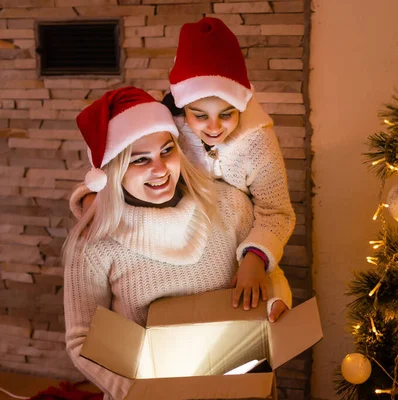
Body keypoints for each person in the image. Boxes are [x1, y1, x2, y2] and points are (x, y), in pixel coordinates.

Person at [63, 87, 291, 400]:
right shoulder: (94, 243)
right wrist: (140, 393)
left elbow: (270, 280)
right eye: (140, 159)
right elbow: (83, 337)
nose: (160, 170)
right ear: (112, 171)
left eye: (166, 151)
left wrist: (277, 305)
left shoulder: (229, 206)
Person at [72, 17, 296, 312]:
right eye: (199, 116)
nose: (214, 128)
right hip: (194, 220)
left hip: (241, 234)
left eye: (227, 114)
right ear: (182, 108)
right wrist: (92, 197)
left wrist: (255, 257)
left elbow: (276, 211)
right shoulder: (169, 125)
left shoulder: (258, 141)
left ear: (242, 105)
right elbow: (122, 160)